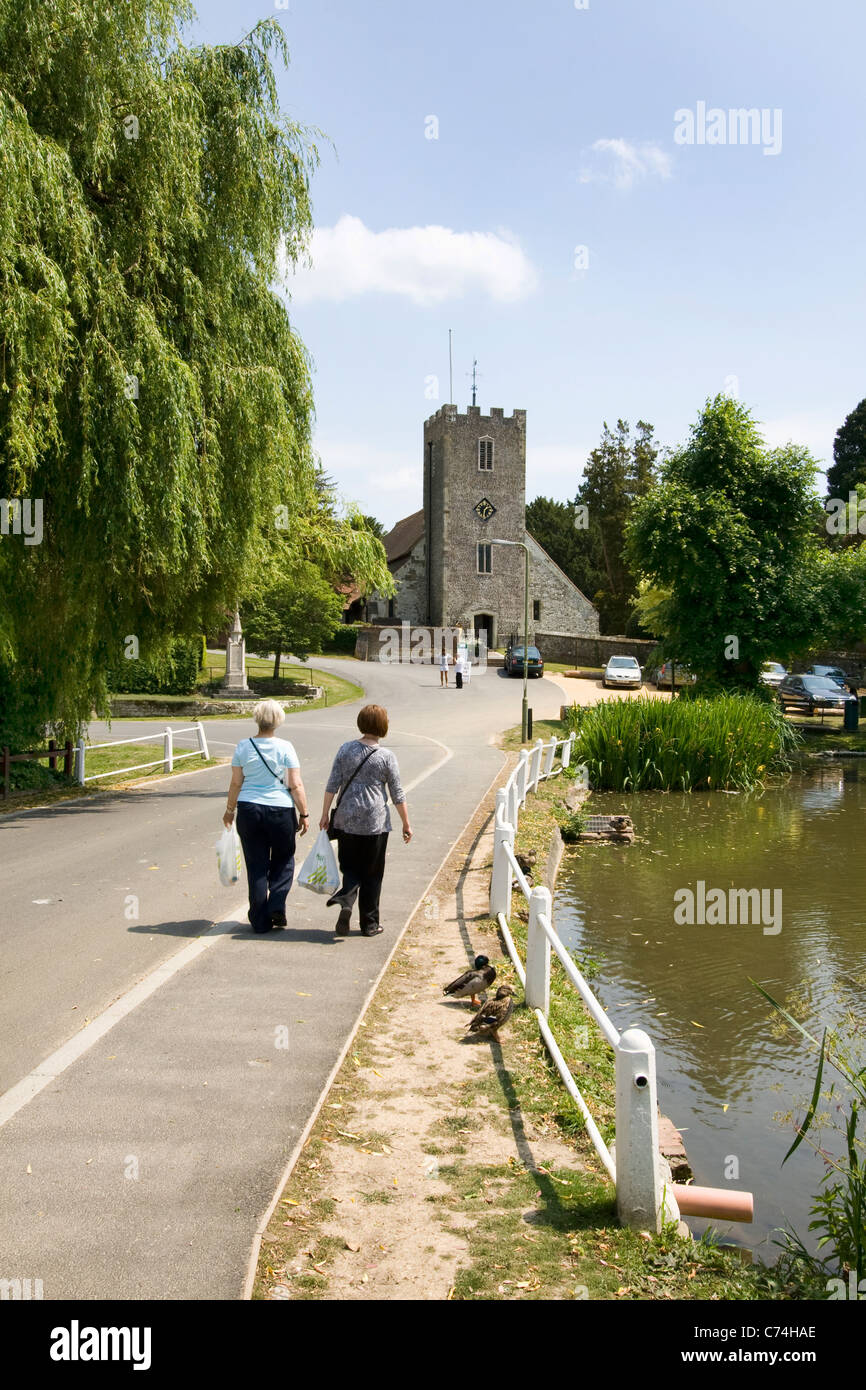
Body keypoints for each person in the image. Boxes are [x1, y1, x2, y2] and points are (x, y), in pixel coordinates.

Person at [319, 704, 411, 937]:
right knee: (372, 873)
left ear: (361, 723)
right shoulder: (386, 756)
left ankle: (347, 897)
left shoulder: (346, 749)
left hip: (346, 819)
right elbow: (397, 793)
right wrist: (406, 824)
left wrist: (324, 813)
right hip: (375, 822)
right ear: (383, 726)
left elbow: (333, 783)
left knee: (349, 866)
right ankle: (369, 924)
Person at [223, 699, 310, 933]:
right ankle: (277, 903)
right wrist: (304, 813)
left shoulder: (243, 746)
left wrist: (230, 810)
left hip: (249, 809)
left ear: (256, 719)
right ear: (278, 720)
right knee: (284, 859)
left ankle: (260, 921)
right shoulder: (286, 747)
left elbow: (235, 782)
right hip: (280, 809)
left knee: (256, 864)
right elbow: (295, 784)